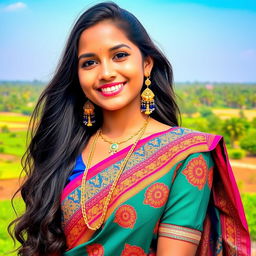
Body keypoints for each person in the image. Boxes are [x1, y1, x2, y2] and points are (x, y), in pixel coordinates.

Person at [9, 2, 251, 255]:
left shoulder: (185, 155)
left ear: (146, 63)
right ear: (78, 74)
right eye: (89, 63)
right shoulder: (65, 148)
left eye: (119, 56)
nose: (105, 72)